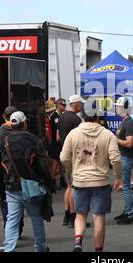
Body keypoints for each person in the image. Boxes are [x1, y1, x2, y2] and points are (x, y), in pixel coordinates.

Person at [60, 103, 123, 252]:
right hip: (100, 181)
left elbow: (63, 158)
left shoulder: (73, 134)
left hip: (80, 181)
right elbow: (115, 158)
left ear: (82, 114)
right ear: (97, 115)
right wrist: (119, 178)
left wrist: (72, 170)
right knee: (99, 217)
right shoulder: (107, 134)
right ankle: (98, 250)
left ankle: (78, 240)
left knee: (80, 214)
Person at [0, 111, 55, 252]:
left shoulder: (4, 140)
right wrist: (49, 183)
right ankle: (40, 247)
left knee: (12, 220)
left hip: (11, 186)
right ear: (24, 123)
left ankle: (9, 249)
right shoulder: (33, 139)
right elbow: (43, 165)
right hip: (31, 186)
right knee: (36, 218)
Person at [57, 95, 85, 227]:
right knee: (74, 187)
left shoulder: (62, 116)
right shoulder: (76, 119)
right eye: (80, 104)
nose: (81, 106)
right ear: (75, 104)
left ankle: (66, 216)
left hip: (64, 153)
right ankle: (73, 218)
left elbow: (57, 137)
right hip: (74, 157)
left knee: (69, 186)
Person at [114, 97, 133, 225]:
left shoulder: (129, 123)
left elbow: (129, 143)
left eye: (118, 106)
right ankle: (127, 211)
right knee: (125, 187)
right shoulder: (125, 122)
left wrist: (114, 139)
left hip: (127, 157)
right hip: (124, 157)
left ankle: (130, 214)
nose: (116, 108)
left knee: (125, 187)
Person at [50, 98, 66, 190]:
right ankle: (52, 180)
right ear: (58, 105)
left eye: (65, 105)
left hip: (61, 142)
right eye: (62, 105)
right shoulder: (54, 116)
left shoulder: (62, 115)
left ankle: (62, 179)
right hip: (55, 142)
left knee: (62, 161)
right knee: (56, 161)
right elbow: (57, 130)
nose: (64, 106)